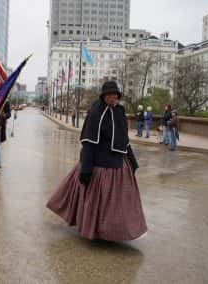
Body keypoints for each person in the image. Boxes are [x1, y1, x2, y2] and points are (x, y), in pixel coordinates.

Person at [47, 81, 147, 242]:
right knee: (96, 201)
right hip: (99, 164)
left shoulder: (120, 112)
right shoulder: (96, 112)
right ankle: (95, 230)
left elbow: (124, 140)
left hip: (118, 164)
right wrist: (86, 169)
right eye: (110, 95)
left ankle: (113, 232)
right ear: (103, 96)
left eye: (115, 96)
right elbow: (88, 142)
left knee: (117, 204)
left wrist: (132, 161)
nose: (113, 98)